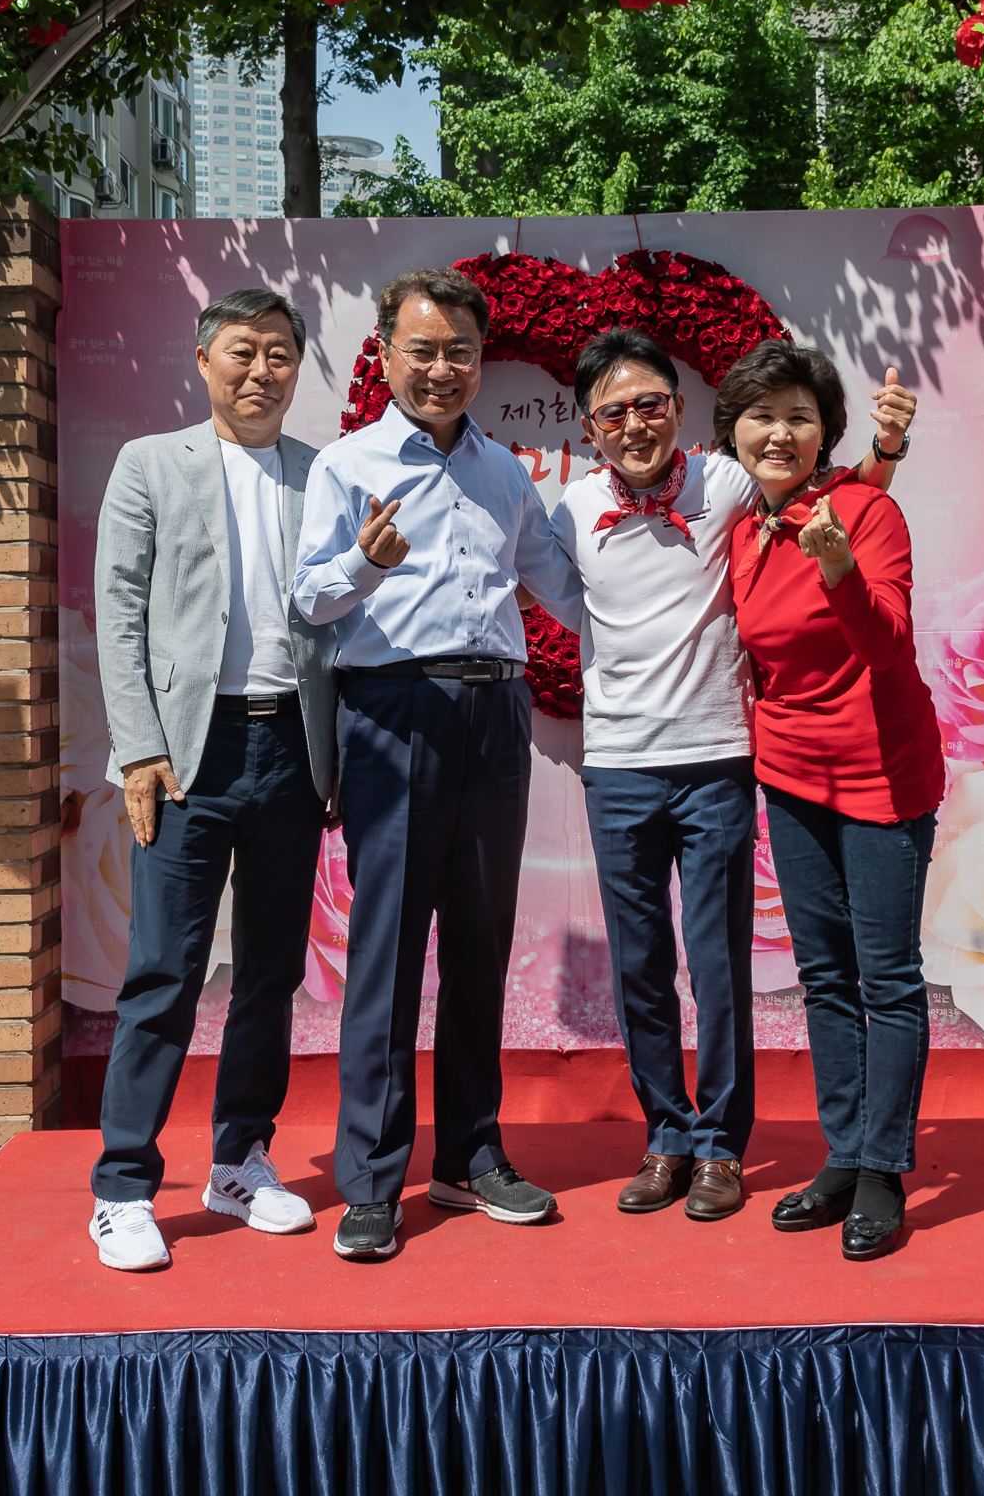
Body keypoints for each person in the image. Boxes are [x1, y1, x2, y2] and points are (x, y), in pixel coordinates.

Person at [551, 329, 914, 1222]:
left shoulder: (730, 485)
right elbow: (556, 597)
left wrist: (889, 449)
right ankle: (666, 1137)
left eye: (651, 405)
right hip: (622, 765)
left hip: (720, 759)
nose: (635, 424)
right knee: (644, 967)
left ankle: (723, 1146)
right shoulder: (564, 512)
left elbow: (839, 501)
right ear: (589, 425)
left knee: (721, 965)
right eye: (614, 412)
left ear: (679, 410)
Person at [292, 269, 586, 1262]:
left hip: (494, 712)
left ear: (479, 359)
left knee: (479, 944)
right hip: (396, 712)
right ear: (384, 351)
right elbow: (311, 602)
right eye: (422, 349)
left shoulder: (505, 472)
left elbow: (559, 583)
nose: (441, 368)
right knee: (387, 951)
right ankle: (373, 1179)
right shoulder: (348, 465)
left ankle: (469, 1156)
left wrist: (673, 621)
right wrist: (367, 564)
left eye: (459, 351)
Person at [87, 288, 337, 1273]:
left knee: (272, 975)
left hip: (292, 750)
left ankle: (239, 1162)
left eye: (280, 353)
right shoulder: (152, 465)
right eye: (243, 351)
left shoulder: (324, 477)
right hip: (186, 757)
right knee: (164, 975)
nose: (261, 370)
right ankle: (122, 1187)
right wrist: (139, 747)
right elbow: (120, 615)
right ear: (203, 360)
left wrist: (339, 766)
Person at [717, 338, 946, 1262]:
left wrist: (841, 567)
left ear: (825, 435)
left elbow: (888, 647)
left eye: (799, 418)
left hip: (882, 773)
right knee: (822, 977)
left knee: (885, 977)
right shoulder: (744, 531)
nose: (779, 433)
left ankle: (886, 1170)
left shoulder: (866, 513)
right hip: (790, 773)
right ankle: (845, 1154)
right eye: (762, 416)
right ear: (735, 431)